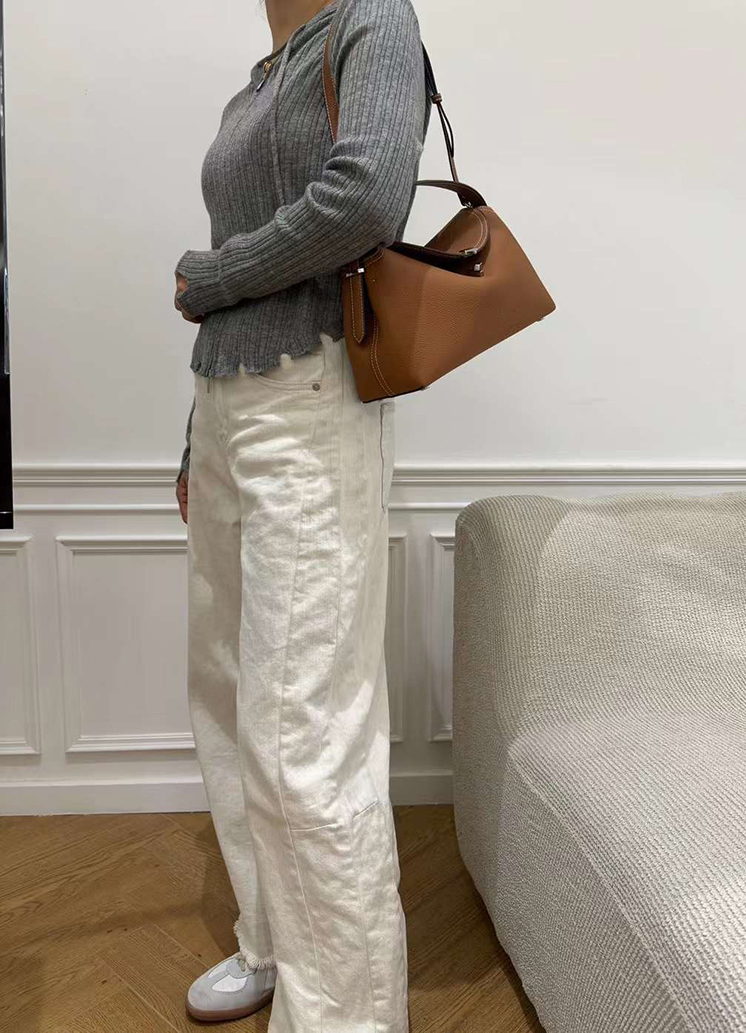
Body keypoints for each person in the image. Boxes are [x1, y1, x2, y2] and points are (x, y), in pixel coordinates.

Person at [172, 0, 431, 1029]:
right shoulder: (258, 79)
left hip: (312, 400)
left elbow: (367, 197)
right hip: (226, 408)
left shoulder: (373, 19)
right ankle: (272, 939)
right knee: (229, 693)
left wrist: (210, 278)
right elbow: (236, 282)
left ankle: (348, 1016)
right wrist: (193, 440)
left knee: (303, 726)